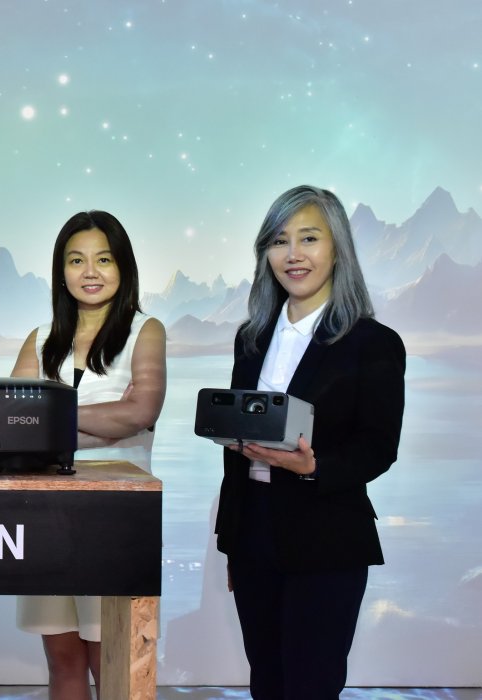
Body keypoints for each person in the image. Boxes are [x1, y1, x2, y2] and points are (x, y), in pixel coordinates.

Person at [214, 185, 406, 699]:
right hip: (253, 534)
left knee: (311, 686)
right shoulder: (251, 338)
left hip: (327, 539)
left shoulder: (373, 342)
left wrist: (313, 466)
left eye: (309, 238)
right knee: (266, 683)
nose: (293, 254)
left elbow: (379, 446)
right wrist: (232, 541)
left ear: (337, 248)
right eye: (280, 241)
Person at [12, 210, 166, 699]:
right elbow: (10, 423)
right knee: (63, 660)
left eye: (104, 259)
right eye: (76, 260)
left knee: (111, 660)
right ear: (61, 271)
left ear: (123, 266)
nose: (90, 271)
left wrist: (48, 416)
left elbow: (139, 411)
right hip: (44, 513)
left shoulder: (145, 331)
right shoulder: (40, 338)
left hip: (113, 517)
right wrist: (98, 420)